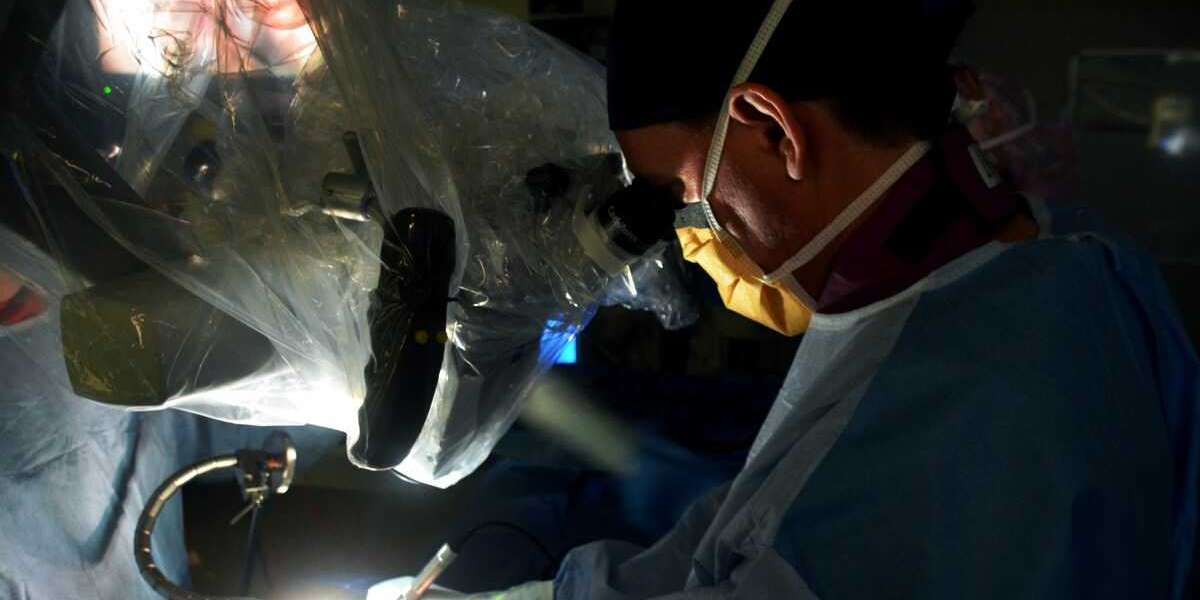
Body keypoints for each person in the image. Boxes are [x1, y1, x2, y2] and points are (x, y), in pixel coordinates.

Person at [545, 1, 1199, 599]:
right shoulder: (1079, 264)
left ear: (773, 131)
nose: (689, 239)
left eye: (677, 197)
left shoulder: (949, 394)